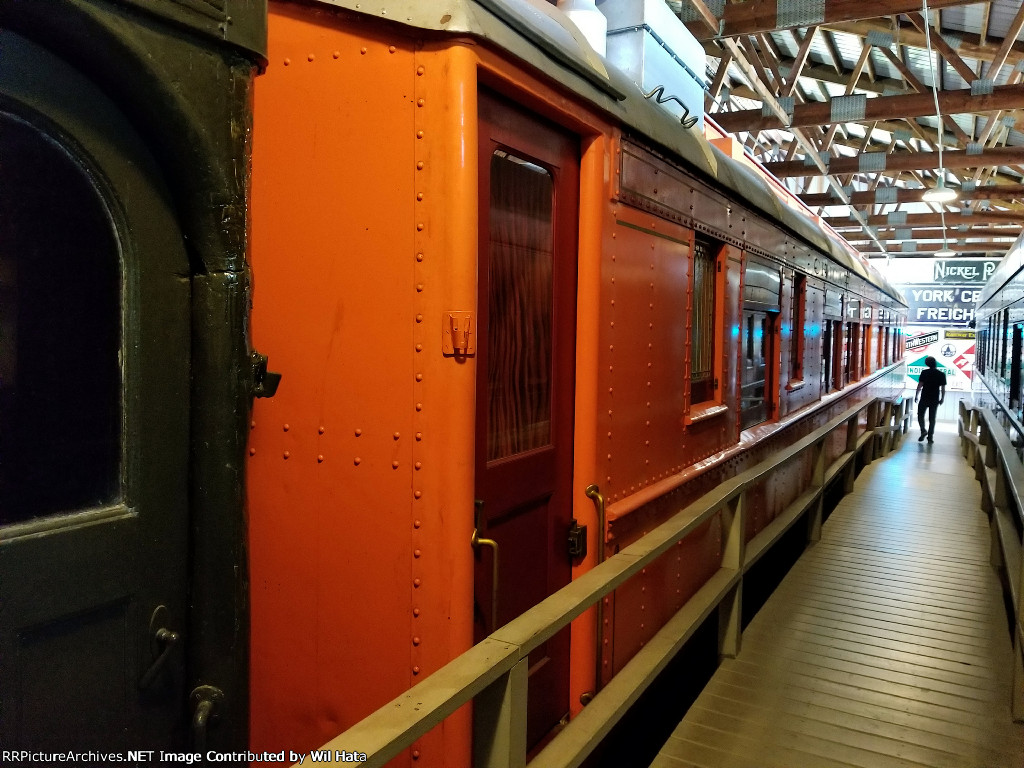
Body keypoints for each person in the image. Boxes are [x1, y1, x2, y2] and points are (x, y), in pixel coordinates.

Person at [915, 356, 946, 443]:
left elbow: (920, 385)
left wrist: (916, 395)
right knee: (932, 418)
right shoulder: (941, 374)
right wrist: (942, 398)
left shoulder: (924, 373)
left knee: (920, 415)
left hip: (924, 397)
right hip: (934, 398)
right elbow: (943, 388)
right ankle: (930, 437)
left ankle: (923, 430)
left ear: (927, 364)